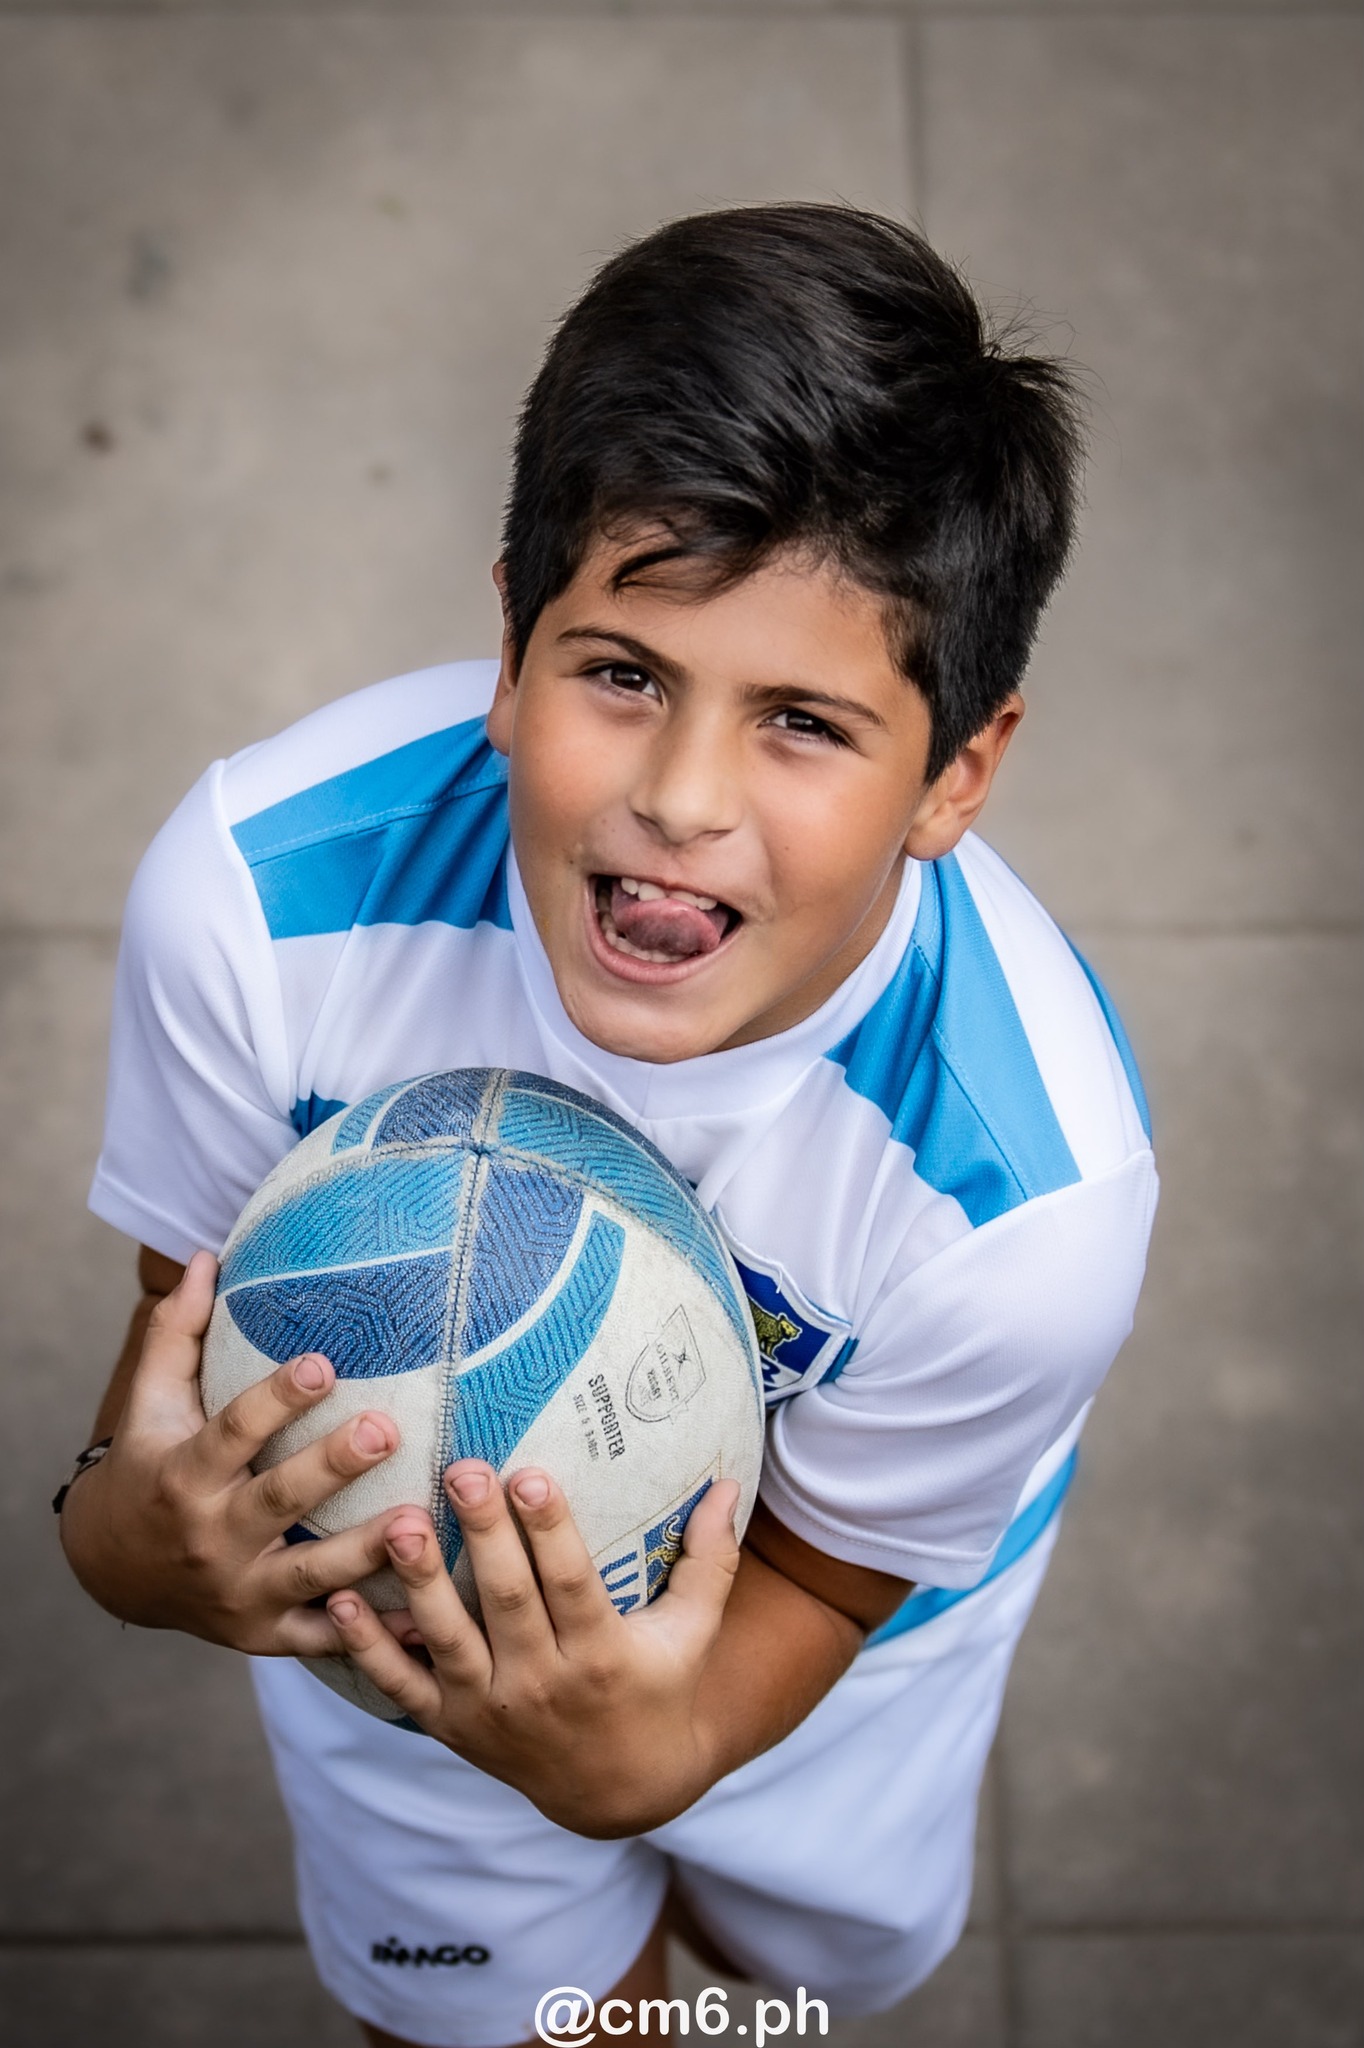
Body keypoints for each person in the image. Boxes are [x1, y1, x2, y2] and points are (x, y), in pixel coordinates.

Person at [58, 205, 1157, 2048]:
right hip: (397, 1633)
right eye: (625, 671)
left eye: (803, 719)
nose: (681, 798)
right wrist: (129, 1544)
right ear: (511, 644)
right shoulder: (259, 906)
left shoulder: (1022, 1206)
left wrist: (664, 1752)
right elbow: (180, 1371)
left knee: (789, 1986)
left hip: (843, 1637)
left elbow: (819, 1570)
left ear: (954, 773)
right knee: (505, 2025)